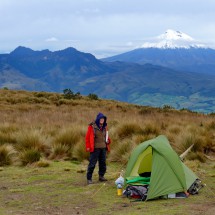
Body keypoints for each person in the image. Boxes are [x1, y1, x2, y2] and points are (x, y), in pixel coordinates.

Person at [85, 112, 111, 185]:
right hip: (95, 149)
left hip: (103, 148)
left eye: (103, 119)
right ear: (98, 119)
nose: (102, 120)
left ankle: (101, 176)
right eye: (101, 119)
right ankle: (89, 178)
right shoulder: (92, 127)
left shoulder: (105, 127)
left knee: (103, 163)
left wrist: (108, 140)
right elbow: (87, 138)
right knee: (92, 163)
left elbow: (106, 136)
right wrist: (88, 147)